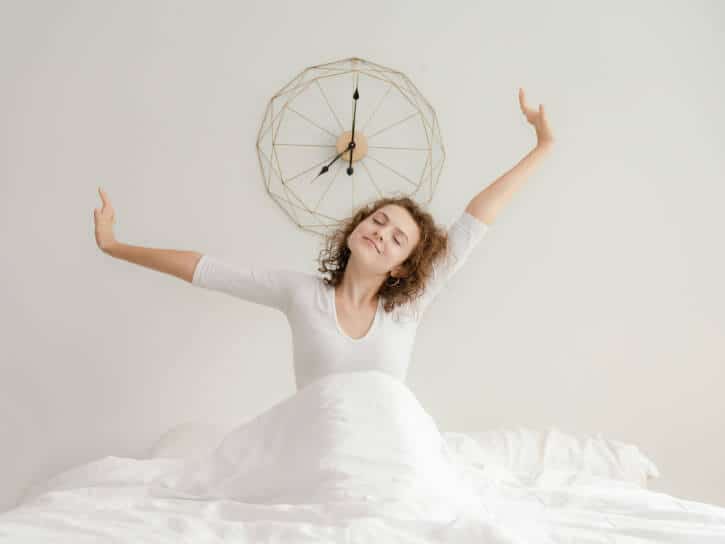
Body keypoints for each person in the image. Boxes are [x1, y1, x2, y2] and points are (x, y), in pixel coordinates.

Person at [93, 187, 491, 391]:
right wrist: (114, 246)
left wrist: (531, 151)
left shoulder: (406, 311)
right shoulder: (301, 293)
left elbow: (474, 222)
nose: (381, 232)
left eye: (397, 238)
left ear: (400, 268)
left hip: (388, 454)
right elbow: (206, 269)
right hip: (316, 447)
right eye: (378, 220)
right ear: (358, 226)